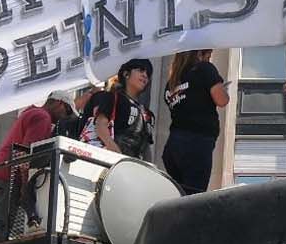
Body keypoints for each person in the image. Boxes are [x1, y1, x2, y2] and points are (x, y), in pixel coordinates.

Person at [0, 91, 74, 244]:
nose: (64, 116)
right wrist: (25, 188)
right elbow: (24, 154)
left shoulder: (31, 113)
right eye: (66, 111)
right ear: (59, 103)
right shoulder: (43, 117)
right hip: (6, 178)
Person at [163, 50, 229, 193]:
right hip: (196, 144)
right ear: (200, 54)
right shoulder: (205, 69)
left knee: (181, 196)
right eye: (208, 56)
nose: (209, 59)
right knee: (194, 199)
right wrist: (221, 87)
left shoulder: (172, 82)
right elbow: (222, 100)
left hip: (173, 147)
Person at [80, 58, 155, 159]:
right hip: (108, 162)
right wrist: (117, 155)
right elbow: (100, 126)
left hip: (133, 166)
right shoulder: (111, 97)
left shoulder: (148, 114)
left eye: (148, 73)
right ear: (126, 74)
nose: (145, 75)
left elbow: (146, 147)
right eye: (140, 70)